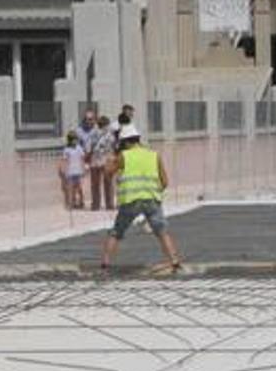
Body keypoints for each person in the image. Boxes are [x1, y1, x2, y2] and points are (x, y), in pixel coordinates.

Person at [100, 125, 183, 272]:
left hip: (131, 200)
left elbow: (108, 175)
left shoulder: (123, 156)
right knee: (162, 232)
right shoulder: (154, 155)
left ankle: (105, 265)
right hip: (151, 199)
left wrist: (109, 162)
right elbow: (164, 182)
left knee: (116, 232)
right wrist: (153, 192)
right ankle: (174, 262)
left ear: (125, 142)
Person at [87, 115, 117, 210]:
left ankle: (95, 205)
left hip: (94, 161)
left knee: (95, 184)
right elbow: (114, 146)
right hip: (106, 161)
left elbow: (88, 147)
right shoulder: (110, 134)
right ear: (105, 125)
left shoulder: (92, 133)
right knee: (108, 184)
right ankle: (109, 204)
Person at [60, 134, 86, 210]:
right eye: (74, 139)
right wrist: (65, 170)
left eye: (76, 139)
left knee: (79, 188)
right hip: (70, 172)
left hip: (78, 171)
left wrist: (83, 169)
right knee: (70, 189)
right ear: (70, 140)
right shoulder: (67, 150)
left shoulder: (79, 148)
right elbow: (65, 161)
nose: (75, 141)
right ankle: (71, 204)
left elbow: (82, 159)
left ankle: (81, 202)